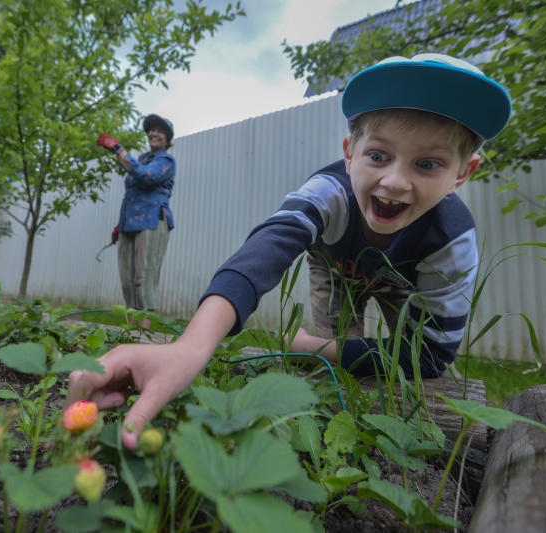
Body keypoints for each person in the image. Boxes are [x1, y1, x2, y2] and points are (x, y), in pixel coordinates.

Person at [71, 54, 512, 450]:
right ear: (349, 153)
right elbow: (266, 250)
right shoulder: (329, 194)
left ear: (462, 174)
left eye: (428, 164)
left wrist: (310, 346)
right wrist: (191, 347)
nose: (395, 182)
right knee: (333, 371)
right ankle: (329, 440)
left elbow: (432, 352)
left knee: (414, 372)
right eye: (378, 155)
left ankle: (409, 448)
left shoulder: (451, 240)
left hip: (404, 285)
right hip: (337, 271)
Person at [97, 114, 176, 328]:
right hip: (129, 225)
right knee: (127, 280)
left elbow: (146, 177)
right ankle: (131, 331)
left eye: (160, 130)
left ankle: (145, 335)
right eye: (151, 129)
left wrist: (118, 149)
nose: (154, 133)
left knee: (143, 278)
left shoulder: (166, 161)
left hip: (151, 222)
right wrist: (119, 225)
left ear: (168, 139)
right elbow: (132, 191)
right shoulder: (141, 159)